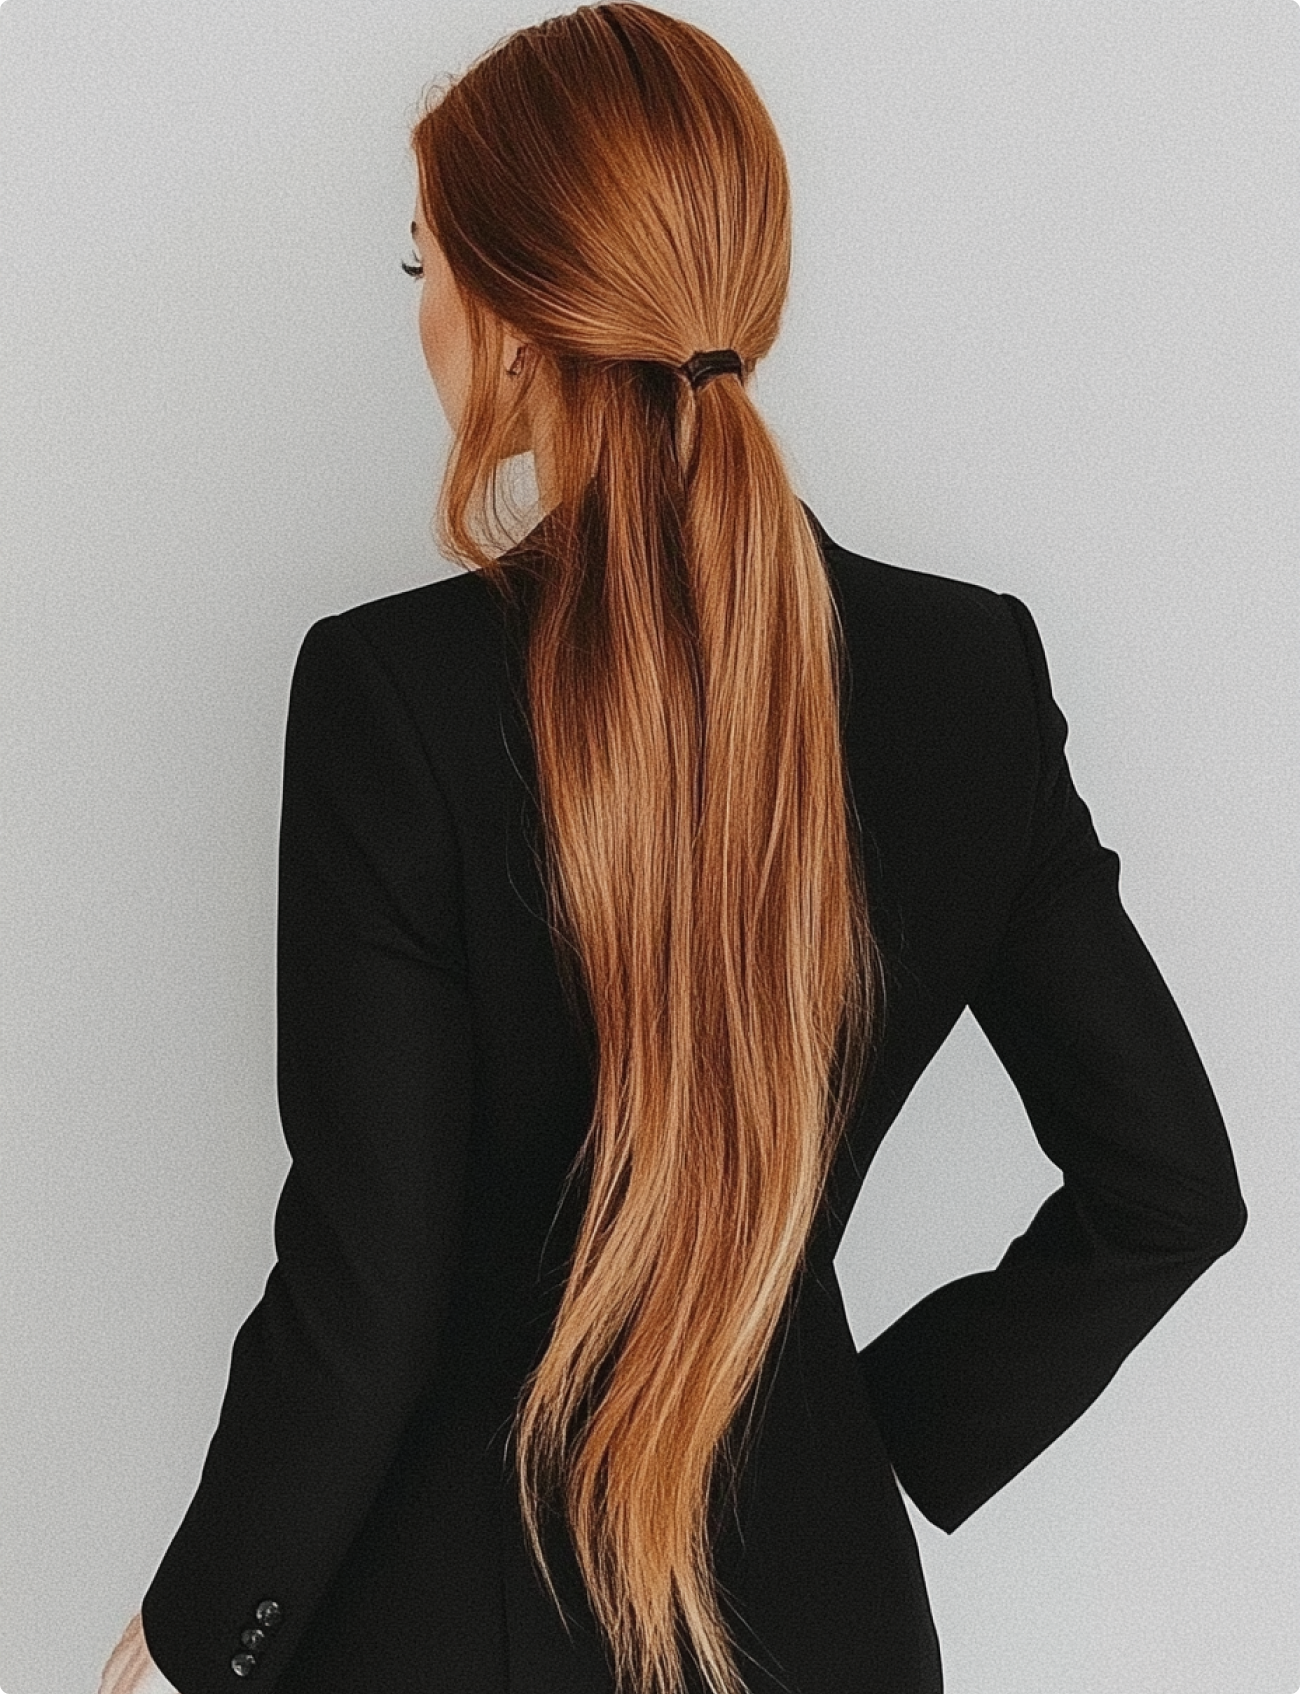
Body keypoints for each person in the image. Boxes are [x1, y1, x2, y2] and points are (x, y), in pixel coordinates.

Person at [98, 5, 1248, 1693]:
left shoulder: (390, 693)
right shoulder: (969, 676)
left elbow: (367, 1284)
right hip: (825, 1628)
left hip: (447, 1630)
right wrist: (868, 1433)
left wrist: (203, 1633)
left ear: (507, 317)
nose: (419, 310)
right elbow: (1170, 1188)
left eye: (424, 263)